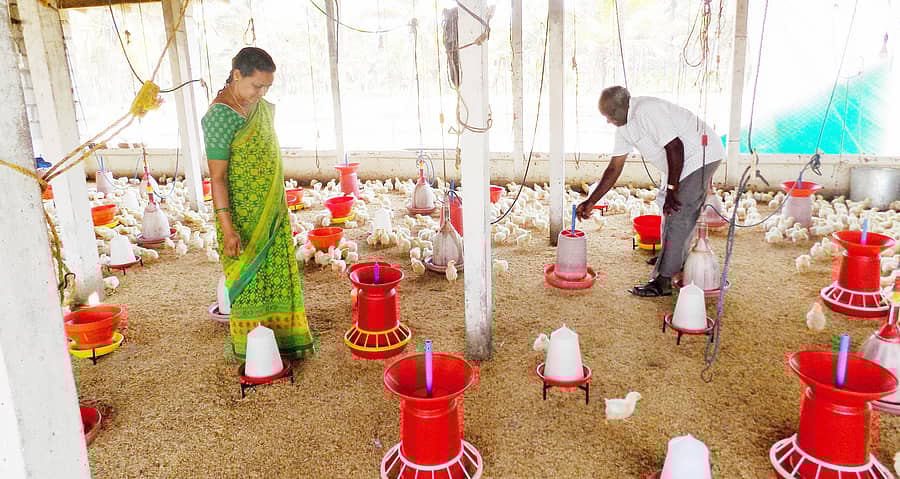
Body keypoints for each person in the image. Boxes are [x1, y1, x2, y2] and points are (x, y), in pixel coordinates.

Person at [202, 47, 314, 359]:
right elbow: (218, 178)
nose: (261, 94)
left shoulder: (256, 105)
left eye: (267, 87)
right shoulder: (219, 118)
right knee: (249, 280)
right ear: (237, 75)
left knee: (277, 274)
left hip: (272, 209)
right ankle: (255, 353)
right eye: (256, 86)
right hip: (243, 217)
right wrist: (228, 230)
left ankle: (284, 340)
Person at [576, 86, 723, 297]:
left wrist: (673, 189)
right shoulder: (624, 128)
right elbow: (614, 168)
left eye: (609, 114)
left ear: (622, 107)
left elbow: (675, 147)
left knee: (679, 212)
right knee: (667, 207)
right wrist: (590, 202)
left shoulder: (647, 110)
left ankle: (663, 280)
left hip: (700, 155)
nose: (607, 120)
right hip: (680, 163)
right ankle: (670, 259)